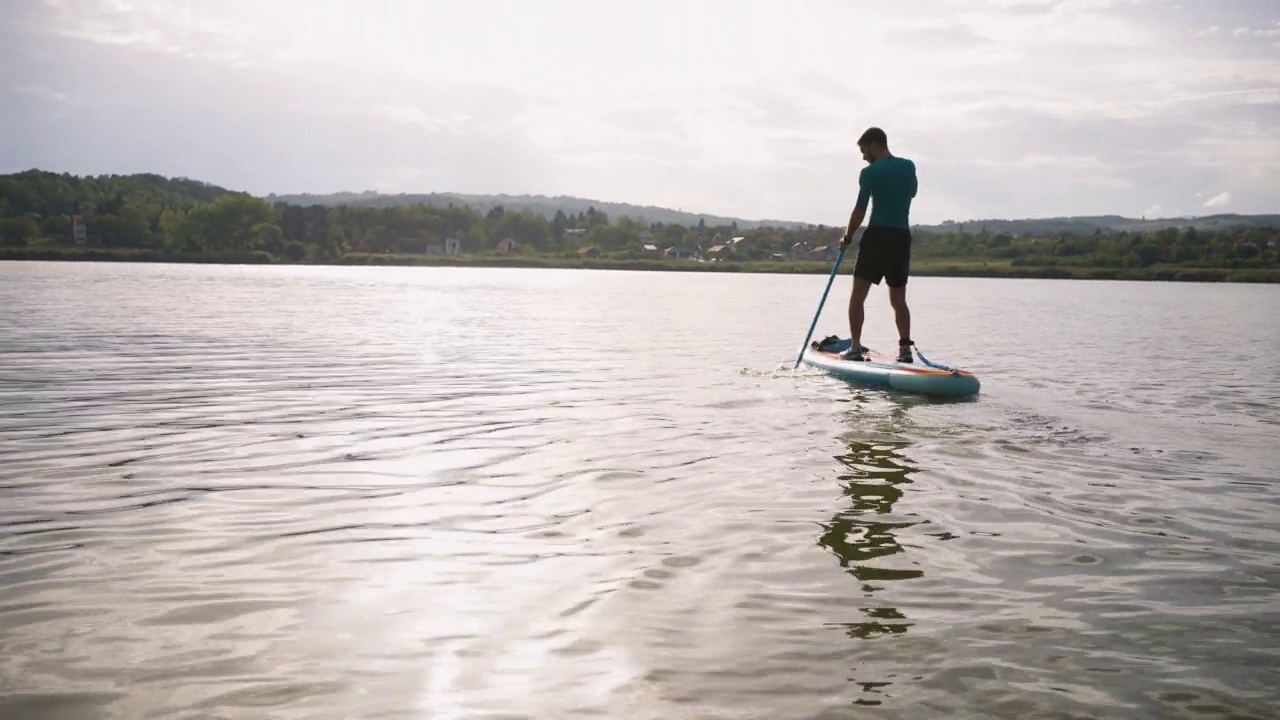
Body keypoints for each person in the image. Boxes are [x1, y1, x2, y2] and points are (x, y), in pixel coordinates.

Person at [838, 126, 918, 363]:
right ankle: (905, 351)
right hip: (901, 237)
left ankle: (854, 348)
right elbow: (912, 193)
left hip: (877, 236)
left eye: (864, 151)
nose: (863, 157)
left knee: (857, 297)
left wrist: (848, 237)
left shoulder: (869, 173)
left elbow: (860, 209)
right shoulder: (908, 166)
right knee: (898, 299)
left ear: (874, 146)